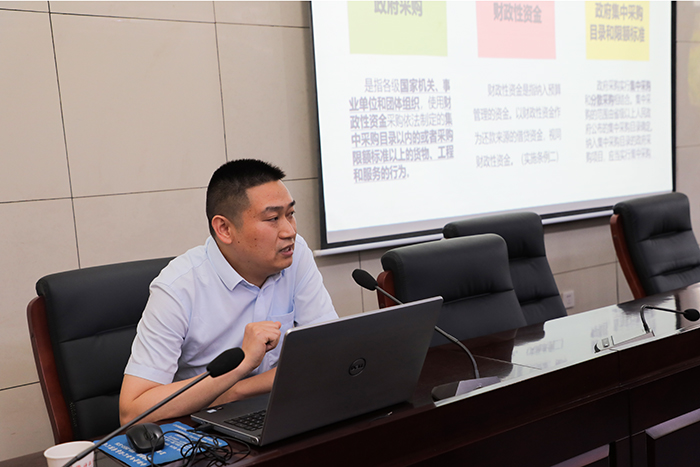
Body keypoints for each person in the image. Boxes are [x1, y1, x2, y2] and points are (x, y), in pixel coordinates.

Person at [119, 159, 337, 424]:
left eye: (290, 214)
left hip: (279, 409)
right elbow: (132, 412)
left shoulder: (295, 254)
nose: (289, 231)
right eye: (273, 219)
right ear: (224, 229)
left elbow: (329, 353)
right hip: (205, 429)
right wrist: (242, 365)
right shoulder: (178, 288)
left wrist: (235, 390)